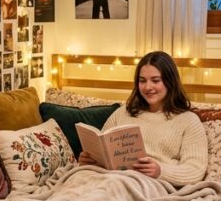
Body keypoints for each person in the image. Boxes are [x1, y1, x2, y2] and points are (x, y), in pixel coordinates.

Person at [79, 51, 208, 185]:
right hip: (110, 178)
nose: (148, 87)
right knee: (77, 181)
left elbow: (195, 170)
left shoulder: (188, 121)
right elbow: (105, 152)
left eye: (155, 80)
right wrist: (91, 160)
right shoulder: (123, 113)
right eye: (142, 81)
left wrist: (160, 171)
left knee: (113, 186)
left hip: (149, 183)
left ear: (170, 81)